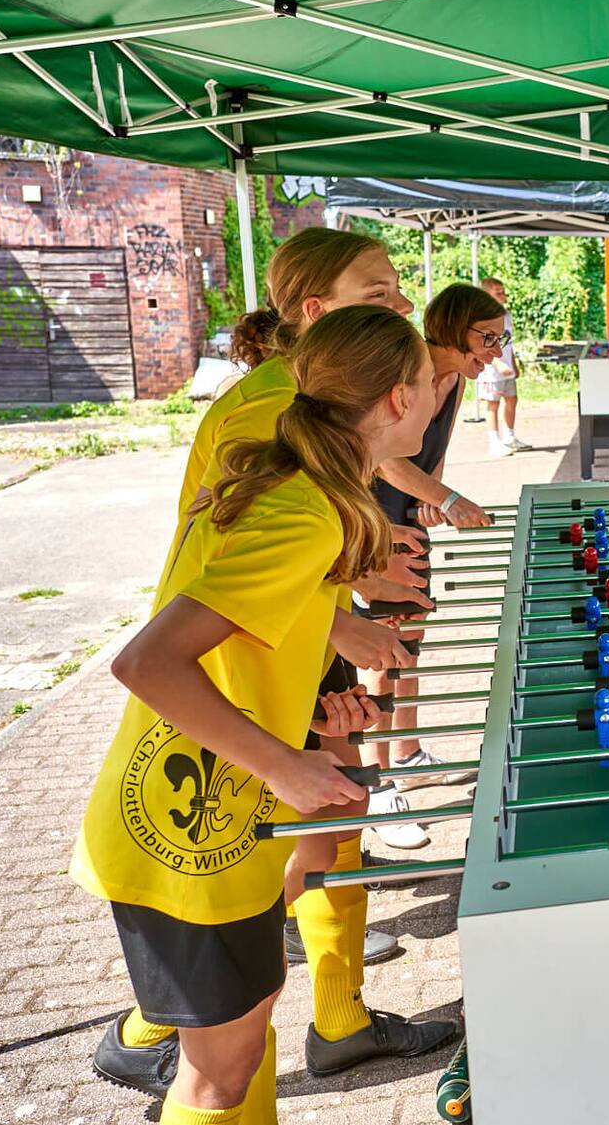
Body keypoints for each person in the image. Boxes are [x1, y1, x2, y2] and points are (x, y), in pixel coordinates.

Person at [71, 306, 438, 1125]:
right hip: (191, 825)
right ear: (395, 400)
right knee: (219, 1076)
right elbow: (147, 660)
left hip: (216, 810)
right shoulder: (304, 510)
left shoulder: (300, 486)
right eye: (430, 382)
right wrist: (284, 761)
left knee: (235, 1053)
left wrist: (313, 716)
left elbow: (250, 633)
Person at [361, 283, 506, 857]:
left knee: (410, 637)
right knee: (379, 651)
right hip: (370, 519)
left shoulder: (456, 379)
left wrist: (431, 501)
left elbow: (430, 450)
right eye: (487, 337)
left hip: (406, 514)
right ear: (452, 328)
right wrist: (446, 500)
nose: (496, 350)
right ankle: (378, 790)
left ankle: (408, 754)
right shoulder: (405, 364)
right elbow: (383, 455)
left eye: (501, 337)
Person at [476, 276, 529, 454]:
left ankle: (510, 436)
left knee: (512, 399)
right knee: (493, 403)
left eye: (503, 292)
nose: (502, 295)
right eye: (497, 293)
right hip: (491, 371)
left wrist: (513, 363)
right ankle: (494, 441)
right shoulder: (483, 318)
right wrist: (497, 363)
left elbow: (508, 343)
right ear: (486, 295)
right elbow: (482, 345)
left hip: (507, 369)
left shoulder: (506, 315)